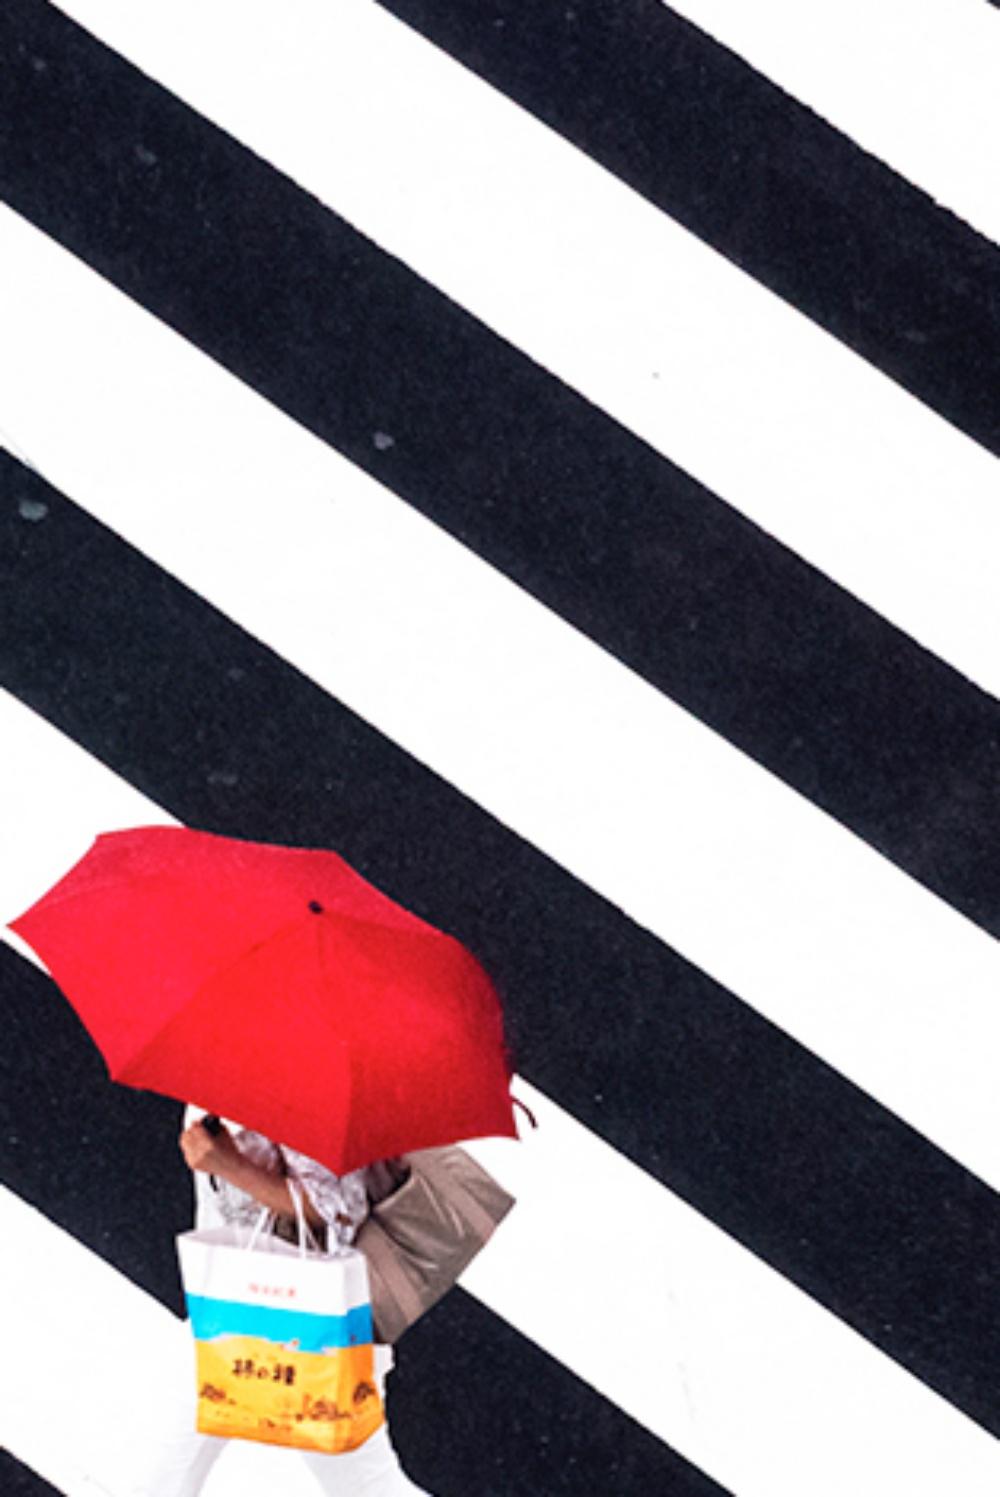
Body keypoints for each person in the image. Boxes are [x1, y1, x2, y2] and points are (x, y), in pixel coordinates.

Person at [143, 1108, 430, 1496]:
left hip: (303, 1322)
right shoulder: (228, 1071)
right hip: (234, 1310)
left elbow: (338, 1211)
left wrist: (230, 1166)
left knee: (363, 1483)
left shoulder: (298, 1089)